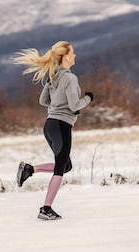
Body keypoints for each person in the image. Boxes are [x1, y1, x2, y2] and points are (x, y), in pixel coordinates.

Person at [12, 41, 93, 220]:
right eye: (73, 52)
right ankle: (46, 209)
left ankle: (29, 169)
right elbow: (74, 106)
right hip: (62, 126)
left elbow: (43, 101)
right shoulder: (70, 78)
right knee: (60, 169)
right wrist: (87, 98)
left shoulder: (53, 76)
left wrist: (58, 104)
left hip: (50, 125)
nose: (75, 55)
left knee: (65, 166)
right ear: (65, 57)